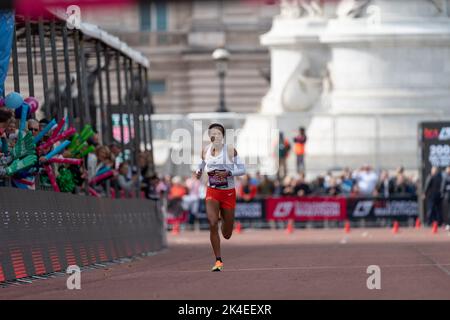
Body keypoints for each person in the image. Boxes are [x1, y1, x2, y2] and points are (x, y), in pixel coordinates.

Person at [195, 123, 246, 272]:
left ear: (222, 136)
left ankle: (225, 219)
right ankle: (218, 260)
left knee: (227, 234)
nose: (214, 135)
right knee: (212, 222)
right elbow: (202, 164)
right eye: (212, 133)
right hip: (212, 191)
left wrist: (228, 173)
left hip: (228, 192)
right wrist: (198, 171)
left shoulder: (230, 150)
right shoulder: (205, 150)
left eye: (217, 133)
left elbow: (242, 169)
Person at [440, 166, 450, 231]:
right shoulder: (445, 177)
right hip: (447, 196)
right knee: (447, 211)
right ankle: (447, 224)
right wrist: (442, 194)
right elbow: (442, 187)